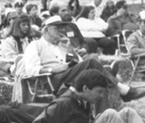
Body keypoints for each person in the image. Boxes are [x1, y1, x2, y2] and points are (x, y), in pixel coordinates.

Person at [16, 17, 145, 102]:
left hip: (69, 74)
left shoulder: (61, 44)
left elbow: (79, 62)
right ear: (45, 30)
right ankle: (122, 89)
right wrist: (53, 68)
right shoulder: (35, 45)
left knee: (97, 78)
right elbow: (31, 69)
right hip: (53, 79)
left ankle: (102, 113)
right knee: (92, 62)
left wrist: (70, 49)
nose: (60, 31)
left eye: (61, 28)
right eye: (56, 28)